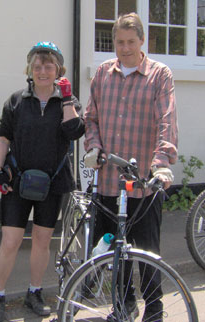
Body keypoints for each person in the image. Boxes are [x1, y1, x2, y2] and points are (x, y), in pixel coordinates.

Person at [84, 13, 178, 322]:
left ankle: (154, 311)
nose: (124, 48)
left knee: (147, 253)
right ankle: (123, 307)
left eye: (130, 42)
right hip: (110, 179)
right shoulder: (102, 74)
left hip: (144, 183)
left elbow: (167, 121)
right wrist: (94, 146)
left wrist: (161, 165)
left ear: (142, 42)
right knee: (116, 253)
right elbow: (91, 117)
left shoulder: (159, 75)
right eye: (119, 42)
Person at [0, 41, 85, 322]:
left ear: (58, 70)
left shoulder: (68, 101)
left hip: (53, 184)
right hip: (17, 182)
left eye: (49, 65)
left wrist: (66, 99)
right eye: (38, 66)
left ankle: (35, 292)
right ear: (30, 69)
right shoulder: (17, 100)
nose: (43, 71)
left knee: (42, 241)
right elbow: (3, 137)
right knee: (10, 241)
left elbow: (74, 131)